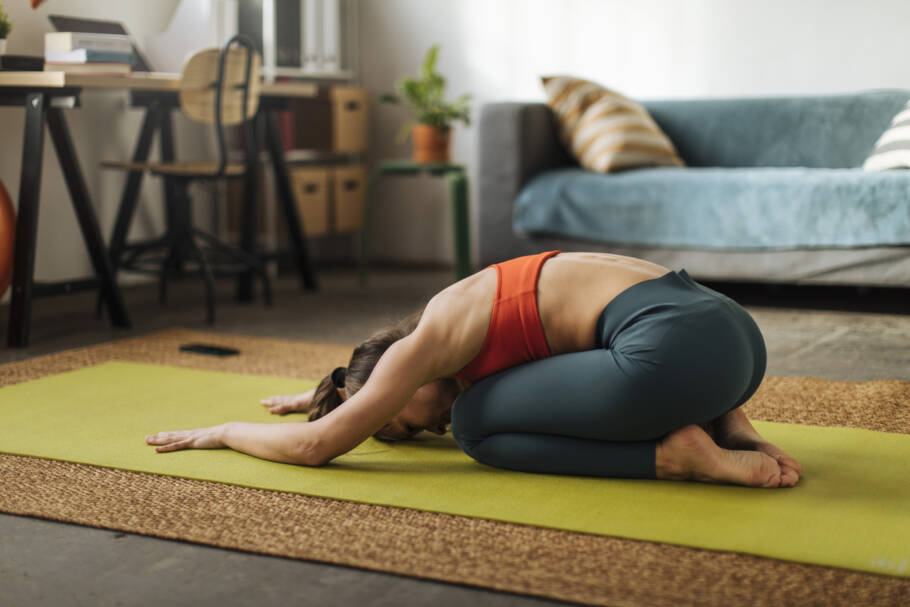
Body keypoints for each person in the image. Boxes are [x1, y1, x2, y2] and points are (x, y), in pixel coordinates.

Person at [146, 251, 802, 488]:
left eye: (394, 423)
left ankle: (678, 456)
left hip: (672, 356)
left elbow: (319, 445)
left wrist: (224, 431)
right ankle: (732, 427)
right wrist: (313, 391)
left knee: (473, 426)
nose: (415, 429)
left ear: (385, 384)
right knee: (556, 377)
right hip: (736, 338)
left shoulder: (428, 339)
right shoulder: (466, 307)